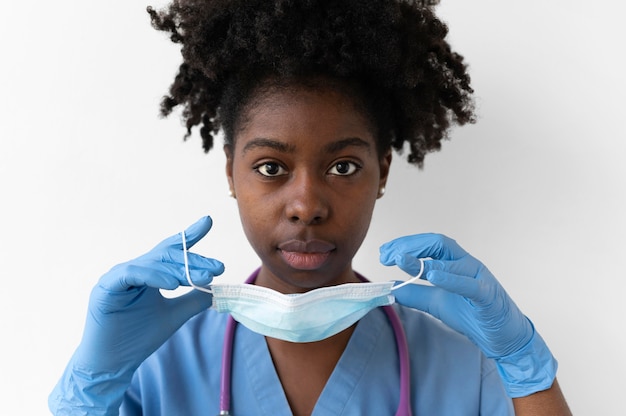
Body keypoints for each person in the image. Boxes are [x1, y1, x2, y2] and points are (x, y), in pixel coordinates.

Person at [49, 0, 571, 414]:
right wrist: (90, 389)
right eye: (271, 168)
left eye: (342, 166)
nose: (305, 205)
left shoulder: (465, 367)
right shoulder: (155, 367)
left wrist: (525, 365)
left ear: (382, 172)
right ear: (231, 170)